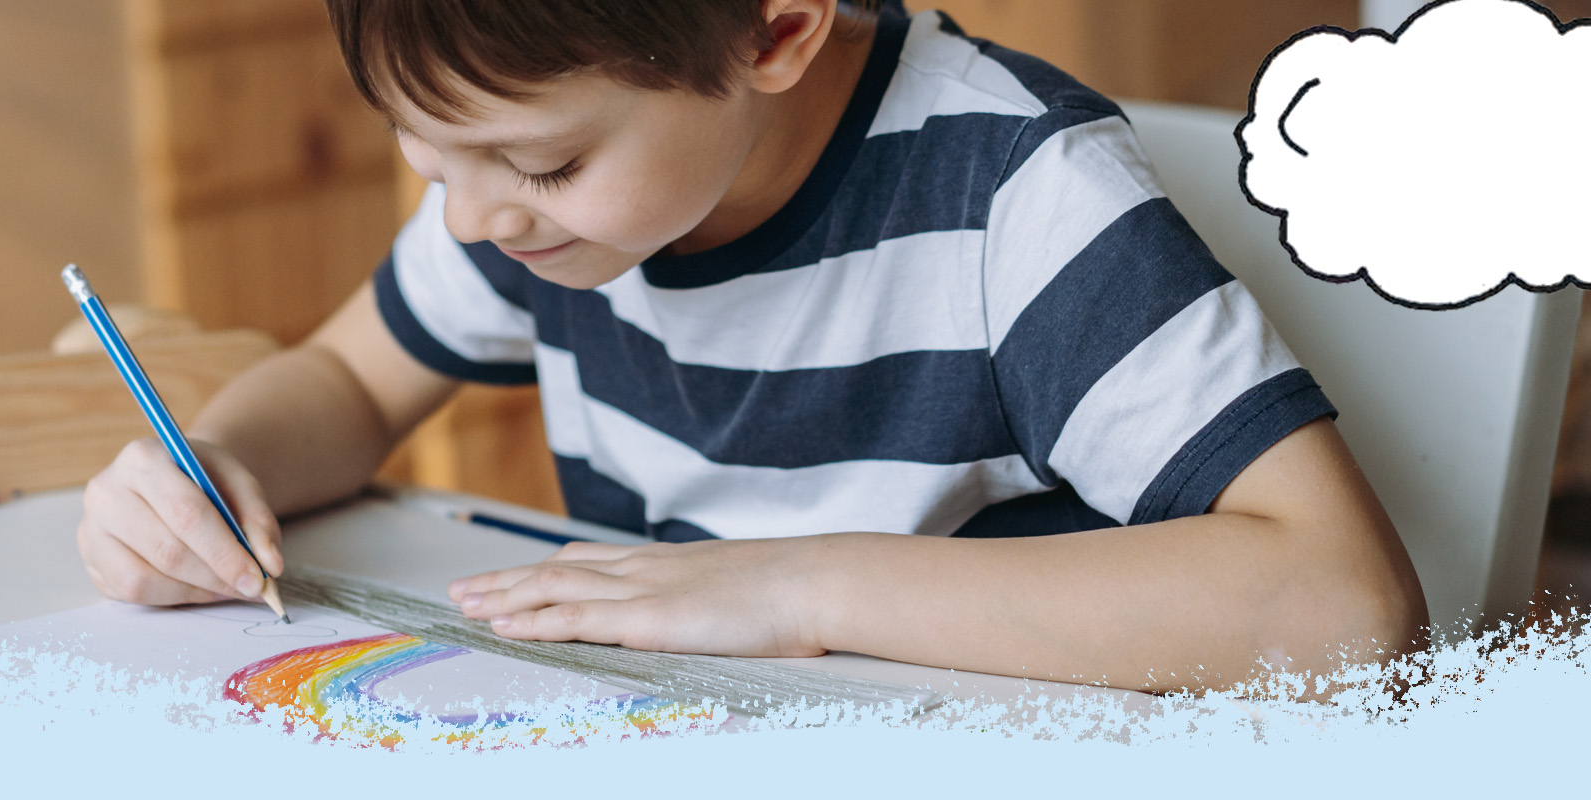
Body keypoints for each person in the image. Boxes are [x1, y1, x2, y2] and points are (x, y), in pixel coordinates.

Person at [75, 0, 1427, 693]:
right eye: (424, 152)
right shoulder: (536, 209)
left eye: (539, 162)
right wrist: (212, 464)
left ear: (774, 28)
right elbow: (350, 383)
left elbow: (1341, 606)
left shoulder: (1012, 195)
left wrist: (795, 594)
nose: (476, 216)